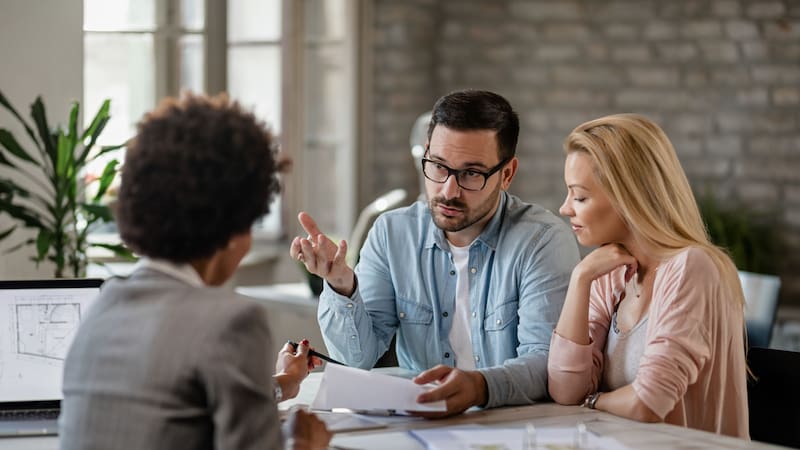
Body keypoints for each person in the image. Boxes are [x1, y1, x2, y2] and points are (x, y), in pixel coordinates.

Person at [60, 93, 332, 450]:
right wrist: (303, 445)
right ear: (231, 226)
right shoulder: (231, 322)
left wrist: (284, 382)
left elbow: (175, 404)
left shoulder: (103, 308)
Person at [291, 89, 579, 417]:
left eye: (472, 173)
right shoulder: (392, 234)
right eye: (439, 167)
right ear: (426, 155)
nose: (448, 190)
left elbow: (546, 363)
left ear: (507, 174)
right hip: (421, 425)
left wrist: (479, 387)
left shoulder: (542, 241)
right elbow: (359, 358)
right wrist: (342, 283)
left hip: (510, 427)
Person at [547, 113, 749, 438]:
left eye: (580, 196)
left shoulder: (692, 267)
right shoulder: (609, 273)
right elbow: (565, 389)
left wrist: (593, 400)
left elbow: (647, 403)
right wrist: (580, 278)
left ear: (628, 197)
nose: (565, 208)